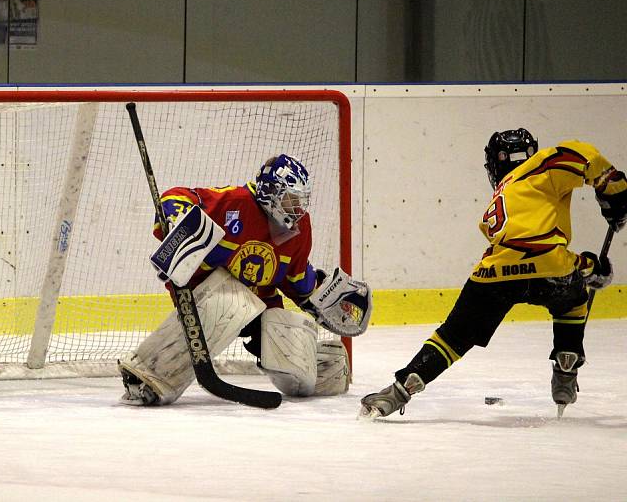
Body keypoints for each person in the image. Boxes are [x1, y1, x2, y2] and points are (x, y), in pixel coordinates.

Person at [360, 129, 627, 419]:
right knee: (574, 299)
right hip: (551, 266)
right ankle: (567, 360)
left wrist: (586, 265)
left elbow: (519, 250)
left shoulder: (499, 197)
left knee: (452, 337)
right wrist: (613, 191)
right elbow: (583, 155)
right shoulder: (540, 167)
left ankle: (402, 387)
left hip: (496, 272)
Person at [119, 154, 372, 406]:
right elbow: (174, 196)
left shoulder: (299, 229)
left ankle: (325, 364)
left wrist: (320, 291)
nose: (297, 209)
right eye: (290, 199)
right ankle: (146, 375)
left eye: (300, 201)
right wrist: (177, 218)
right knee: (233, 303)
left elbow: (295, 277)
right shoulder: (235, 203)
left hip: (260, 308)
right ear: (269, 192)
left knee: (312, 370)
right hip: (209, 299)